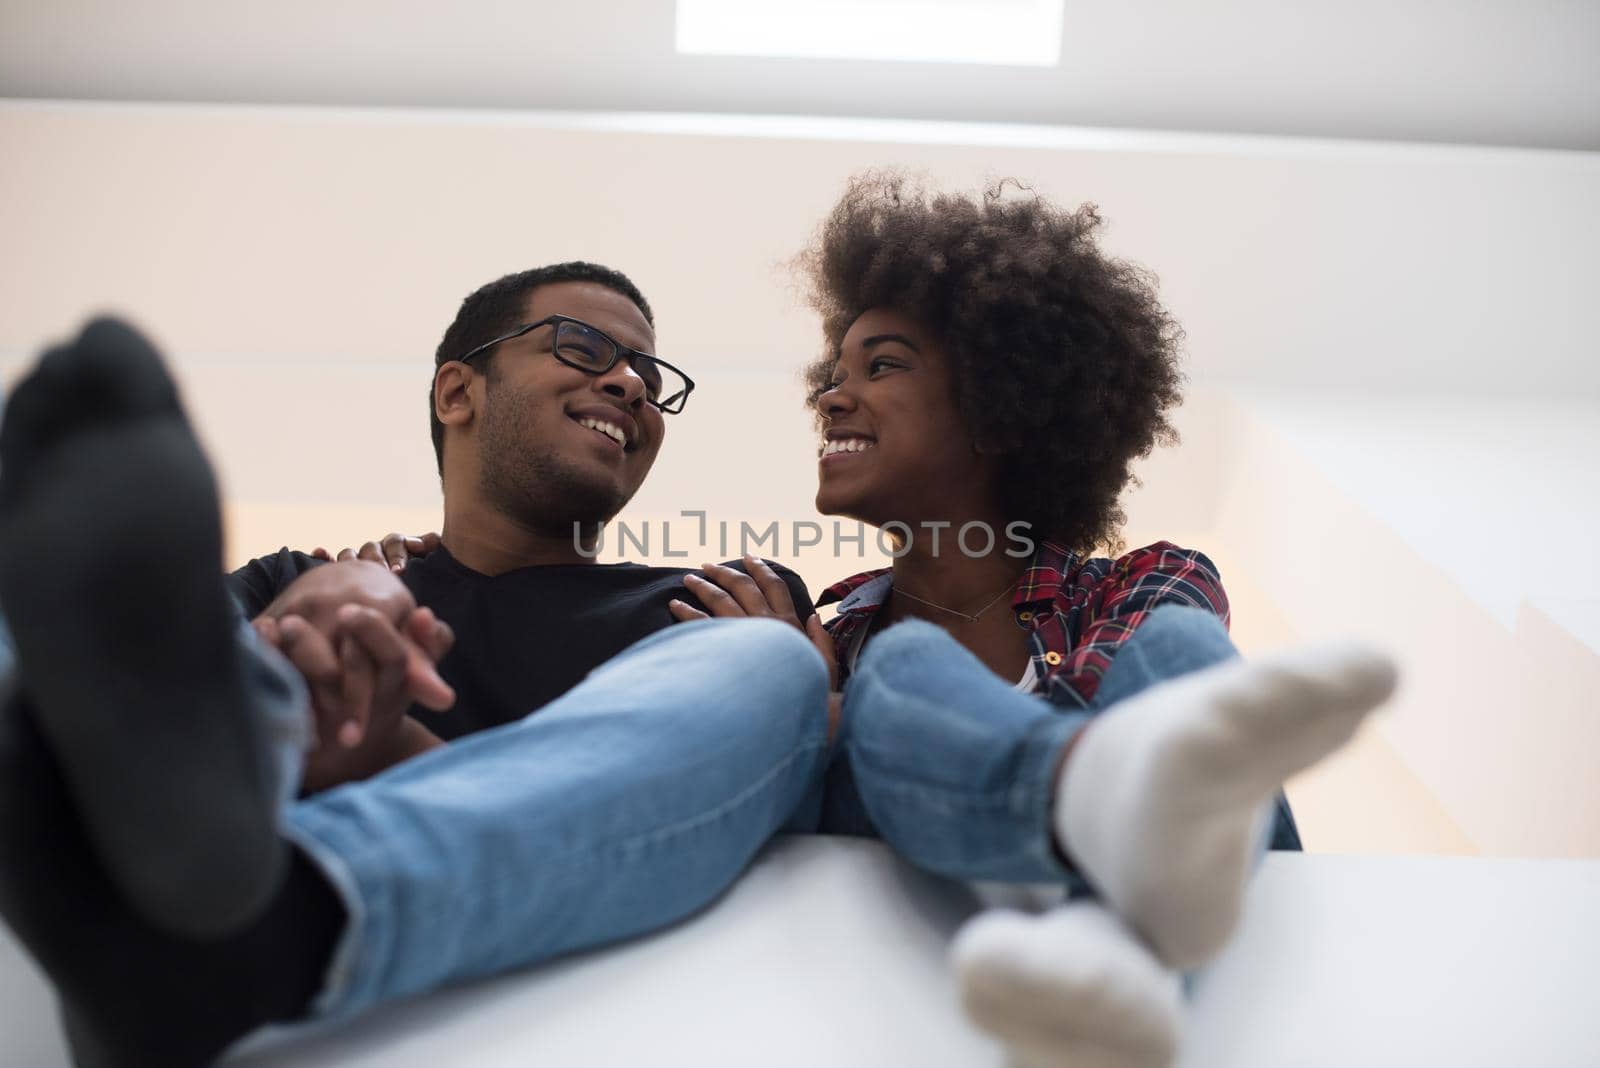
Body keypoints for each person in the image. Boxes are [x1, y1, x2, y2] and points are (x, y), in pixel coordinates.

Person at [0, 264, 833, 1066]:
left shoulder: (712, 605)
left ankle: (265, 911)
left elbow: (698, 813)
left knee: (771, 668)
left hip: (513, 985)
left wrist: (382, 748)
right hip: (206, 909)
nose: (630, 384)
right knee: (69, 617)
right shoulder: (295, 581)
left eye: (648, 373)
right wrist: (281, 640)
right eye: (583, 346)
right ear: (456, 392)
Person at [664, 173, 1398, 1068]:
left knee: (1178, 650)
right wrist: (805, 715)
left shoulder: (1147, 580)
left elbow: (1135, 722)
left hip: (1186, 1017)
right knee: (900, 668)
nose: (831, 397)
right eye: (833, 374)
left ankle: (1114, 957)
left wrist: (841, 721)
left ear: (999, 409)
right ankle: (1115, 943)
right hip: (916, 1013)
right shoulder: (829, 640)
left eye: (881, 366)